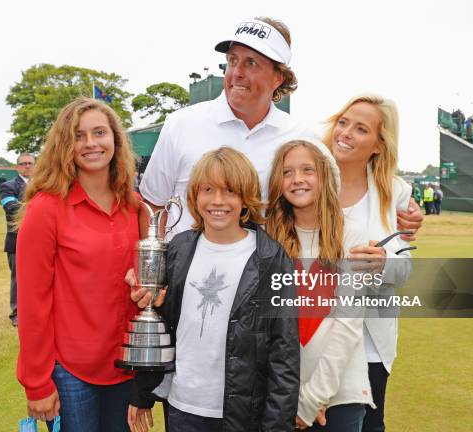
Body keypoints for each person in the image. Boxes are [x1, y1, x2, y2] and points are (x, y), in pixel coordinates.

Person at [128, 147, 299, 432]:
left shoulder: (271, 258)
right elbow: (164, 325)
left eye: (230, 191)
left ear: (246, 200)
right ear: (195, 196)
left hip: (243, 415)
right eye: (208, 189)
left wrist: (277, 425)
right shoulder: (179, 249)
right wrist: (142, 392)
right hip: (182, 407)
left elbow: (284, 352)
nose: (218, 201)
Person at [16, 97, 141, 432]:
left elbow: (146, 284)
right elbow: (32, 303)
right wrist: (37, 382)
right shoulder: (46, 209)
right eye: (78, 136)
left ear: (114, 138)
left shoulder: (135, 206)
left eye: (99, 132)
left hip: (127, 365)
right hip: (70, 371)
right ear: (64, 146)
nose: (90, 143)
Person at [138, 17, 311, 238]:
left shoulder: (302, 136)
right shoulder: (181, 124)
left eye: (251, 63)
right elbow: (154, 204)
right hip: (185, 271)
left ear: (279, 77)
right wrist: (155, 271)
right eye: (232, 61)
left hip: (265, 271)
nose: (237, 72)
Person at [266, 139, 375, 431]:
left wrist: (313, 398)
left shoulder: (351, 234)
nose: (297, 179)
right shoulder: (267, 236)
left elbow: (349, 324)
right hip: (280, 392)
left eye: (307, 170)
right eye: (287, 172)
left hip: (340, 395)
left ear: (325, 176)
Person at [322, 93, 413, 432]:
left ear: (378, 144)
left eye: (361, 129)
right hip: (313, 336)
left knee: (370, 425)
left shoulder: (396, 193)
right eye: (343, 123)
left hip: (371, 344)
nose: (345, 133)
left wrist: (382, 264)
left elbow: (404, 268)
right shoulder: (308, 180)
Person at [0, 153, 35, 327]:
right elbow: (11, 209)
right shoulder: (8, 186)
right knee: (18, 278)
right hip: (17, 240)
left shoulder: (43, 185)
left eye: (30, 163)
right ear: (17, 166)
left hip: (40, 240)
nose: (27, 166)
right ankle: (16, 313)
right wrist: (38, 210)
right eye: (23, 163)